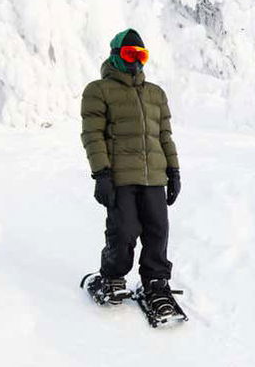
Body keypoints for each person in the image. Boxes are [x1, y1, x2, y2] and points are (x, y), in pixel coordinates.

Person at [79, 28, 185, 323]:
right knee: (123, 231)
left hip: (154, 176)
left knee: (158, 231)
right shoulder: (98, 90)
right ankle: (111, 276)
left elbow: (164, 136)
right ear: (116, 55)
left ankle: (155, 282)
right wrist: (101, 174)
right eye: (130, 55)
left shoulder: (155, 93)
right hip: (120, 177)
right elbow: (92, 134)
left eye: (142, 55)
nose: (137, 61)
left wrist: (173, 171)